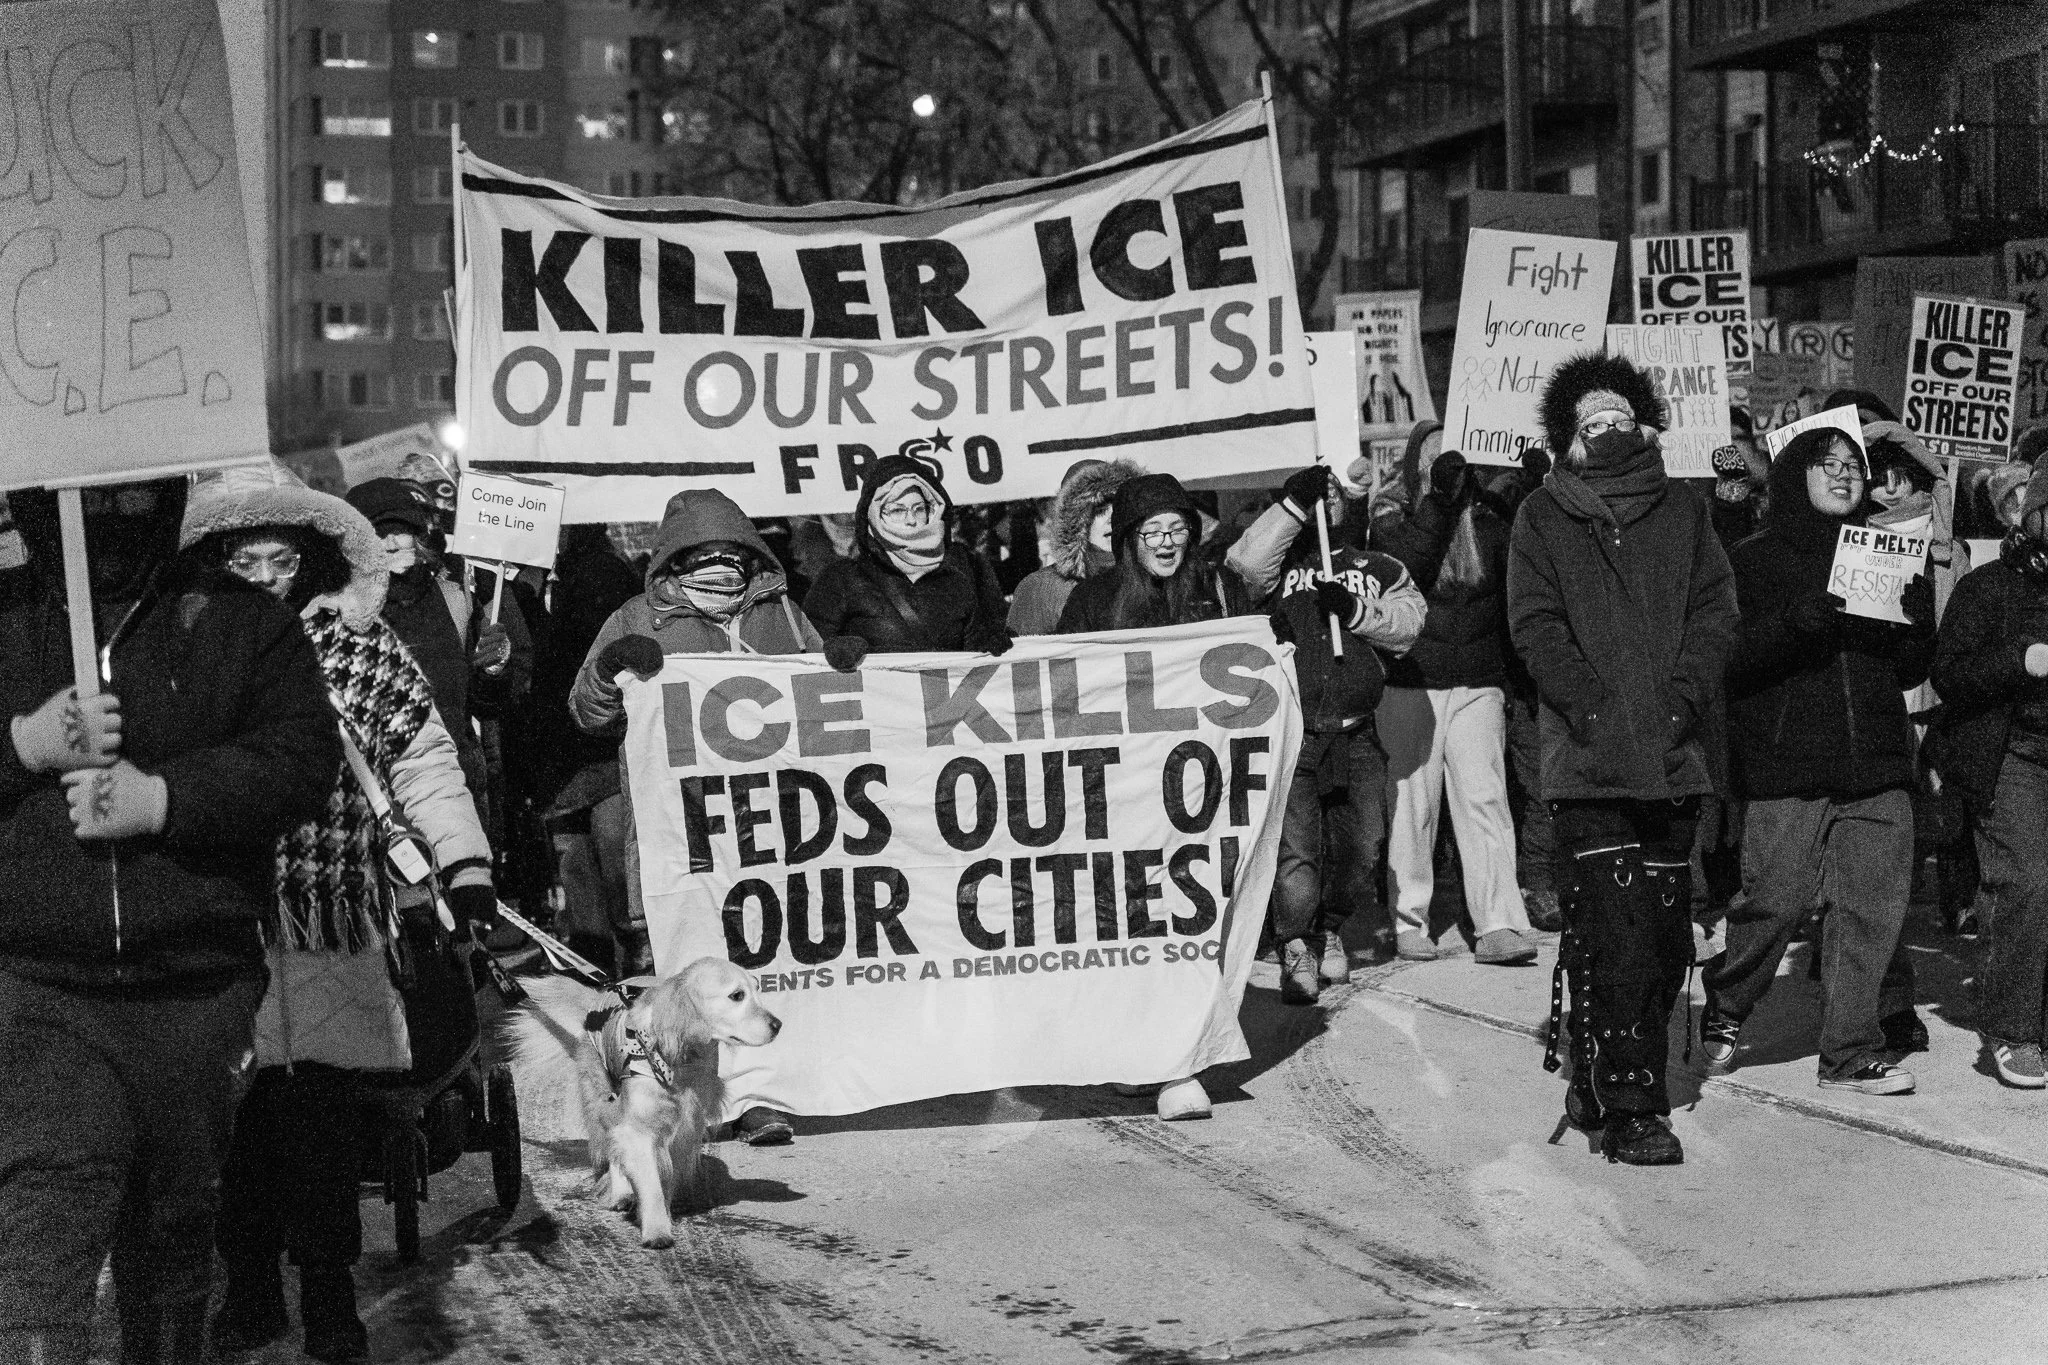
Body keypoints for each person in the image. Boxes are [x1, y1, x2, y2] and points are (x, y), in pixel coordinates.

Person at [0, 480, 339, 1365]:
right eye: (87, 497)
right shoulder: (2, 613)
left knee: (172, 1224)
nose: (109, 513)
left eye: (131, 495)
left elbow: (302, 760)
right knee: (47, 1213)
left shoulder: (239, 621)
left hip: (196, 983)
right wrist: (22, 747)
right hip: (39, 983)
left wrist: (166, 798)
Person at [179, 464, 496, 1361]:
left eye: (285, 559)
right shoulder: (176, 651)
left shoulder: (362, 647)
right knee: (230, 1128)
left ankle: (327, 1297)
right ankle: (248, 1287)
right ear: (215, 560)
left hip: (329, 917)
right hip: (218, 918)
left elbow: (424, 756)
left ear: (311, 562)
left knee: (319, 1124)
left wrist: (463, 862)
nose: (269, 576)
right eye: (248, 558)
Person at [1507, 351, 1739, 1167]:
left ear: (1645, 425)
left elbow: (1717, 613)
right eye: (1587, 421)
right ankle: (1638, 1105)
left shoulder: (1686, 511)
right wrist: (1592, 706)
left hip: (1673, 759)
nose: (1604, 429)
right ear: (1569, 439)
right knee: (1617, 927)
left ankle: (1597, 1063)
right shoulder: (1543, 515)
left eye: (1617, 416)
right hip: (1587, 761)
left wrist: (1680, 701)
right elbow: (1534, 625)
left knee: (1668, 936)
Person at [571, 489, 820, 1144]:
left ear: (752, 555)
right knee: (686, 968)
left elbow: (825, 693)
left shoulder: (782, 618)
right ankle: (692, 1101)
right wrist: (607, 670)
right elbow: (586, 711)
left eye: (732, 555)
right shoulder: (635, 616)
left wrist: (844, 666)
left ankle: (761, 1097)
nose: (720, 568)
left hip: (769, 825)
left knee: (762, 962)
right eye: (703, 556)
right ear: (673, 561)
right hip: (679, 833)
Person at [1698, 428, 1931, 1096]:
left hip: (1879, 762)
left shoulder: (1886, 554)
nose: (1844, 474)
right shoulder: (1754, 557)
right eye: (1827, 463)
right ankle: (1728, 1002)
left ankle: (1851, 1052)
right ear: (1798, 472)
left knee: (1870, 910)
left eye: (1853, 465)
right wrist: (1792, 625)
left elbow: (1910, 667)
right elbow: (1729, 661)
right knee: (1773, 901)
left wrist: (1919, 623)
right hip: (1788, 761)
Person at [1056, 472, 1250, 1119]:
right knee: (1131, 926)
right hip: (1121, 791)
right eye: (1152, 532)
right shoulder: (1096, 598)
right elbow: (1060, 680)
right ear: (1128, 540)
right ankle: (1140, 1054)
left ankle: (1181, 1062)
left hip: (1198, 789)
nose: (1166, 543)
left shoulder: (1219, 589)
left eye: (1177, 529)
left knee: (1190, 925)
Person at [1225, 465, 1425, 1002]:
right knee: (1297, 854)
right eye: (1321, 491)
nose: (1327, 500)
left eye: (1335, 493)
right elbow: (1242, 565)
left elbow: (1409, 625)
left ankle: (1331, 928)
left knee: (1362, 847)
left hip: (1358, 734)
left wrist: (1358, 611)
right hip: (1295, 732)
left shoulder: (1378, 565)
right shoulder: (1281, 568)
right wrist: (1293, 506)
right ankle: (1295, 946)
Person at [1372, 446, 1544, 966]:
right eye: (1435, 453)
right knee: (1412, 808)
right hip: (1409, 683)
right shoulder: (1389, 519)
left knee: (1485, 801)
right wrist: (1439, 505)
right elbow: (1409, 568)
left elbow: (1530, 568)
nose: (1451, 460)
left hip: (1478, 683)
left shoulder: (1490, 522)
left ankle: (1498, 923)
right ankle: (1409, 920)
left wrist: (1532, 491)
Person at [1932, 454, 2048, 1087]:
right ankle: (2012, 1029)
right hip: (2013, 758)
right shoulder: (1988, 587)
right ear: (2033, 517)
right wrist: (2021, 660)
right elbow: (1949, 676)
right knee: (2030, 880)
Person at [345, 477, 533, 836]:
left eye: (401, 529)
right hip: (378, 798)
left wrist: (494, 672)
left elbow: (485, 706)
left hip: (456, 789)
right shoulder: (345, 610)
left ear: (420, 536)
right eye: (377, 530)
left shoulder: (455, 599)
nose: (390, 541)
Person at [805, 453, 1010, 666]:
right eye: (897, 510)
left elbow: (991, 637)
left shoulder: (966, 567)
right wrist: (834, 648)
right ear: (875, 515)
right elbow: (806, 650)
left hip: (951, 698)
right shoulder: (841, 579)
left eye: (919, 509)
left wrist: (989, 639)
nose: (911, 520)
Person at [1007, 459, 1143, 636]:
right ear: (1075, 524)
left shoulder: (1159, 580)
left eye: (1120, 507)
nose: (1113, 519)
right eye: (1100, 510)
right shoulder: (1040, 589)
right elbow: (1023, 660)